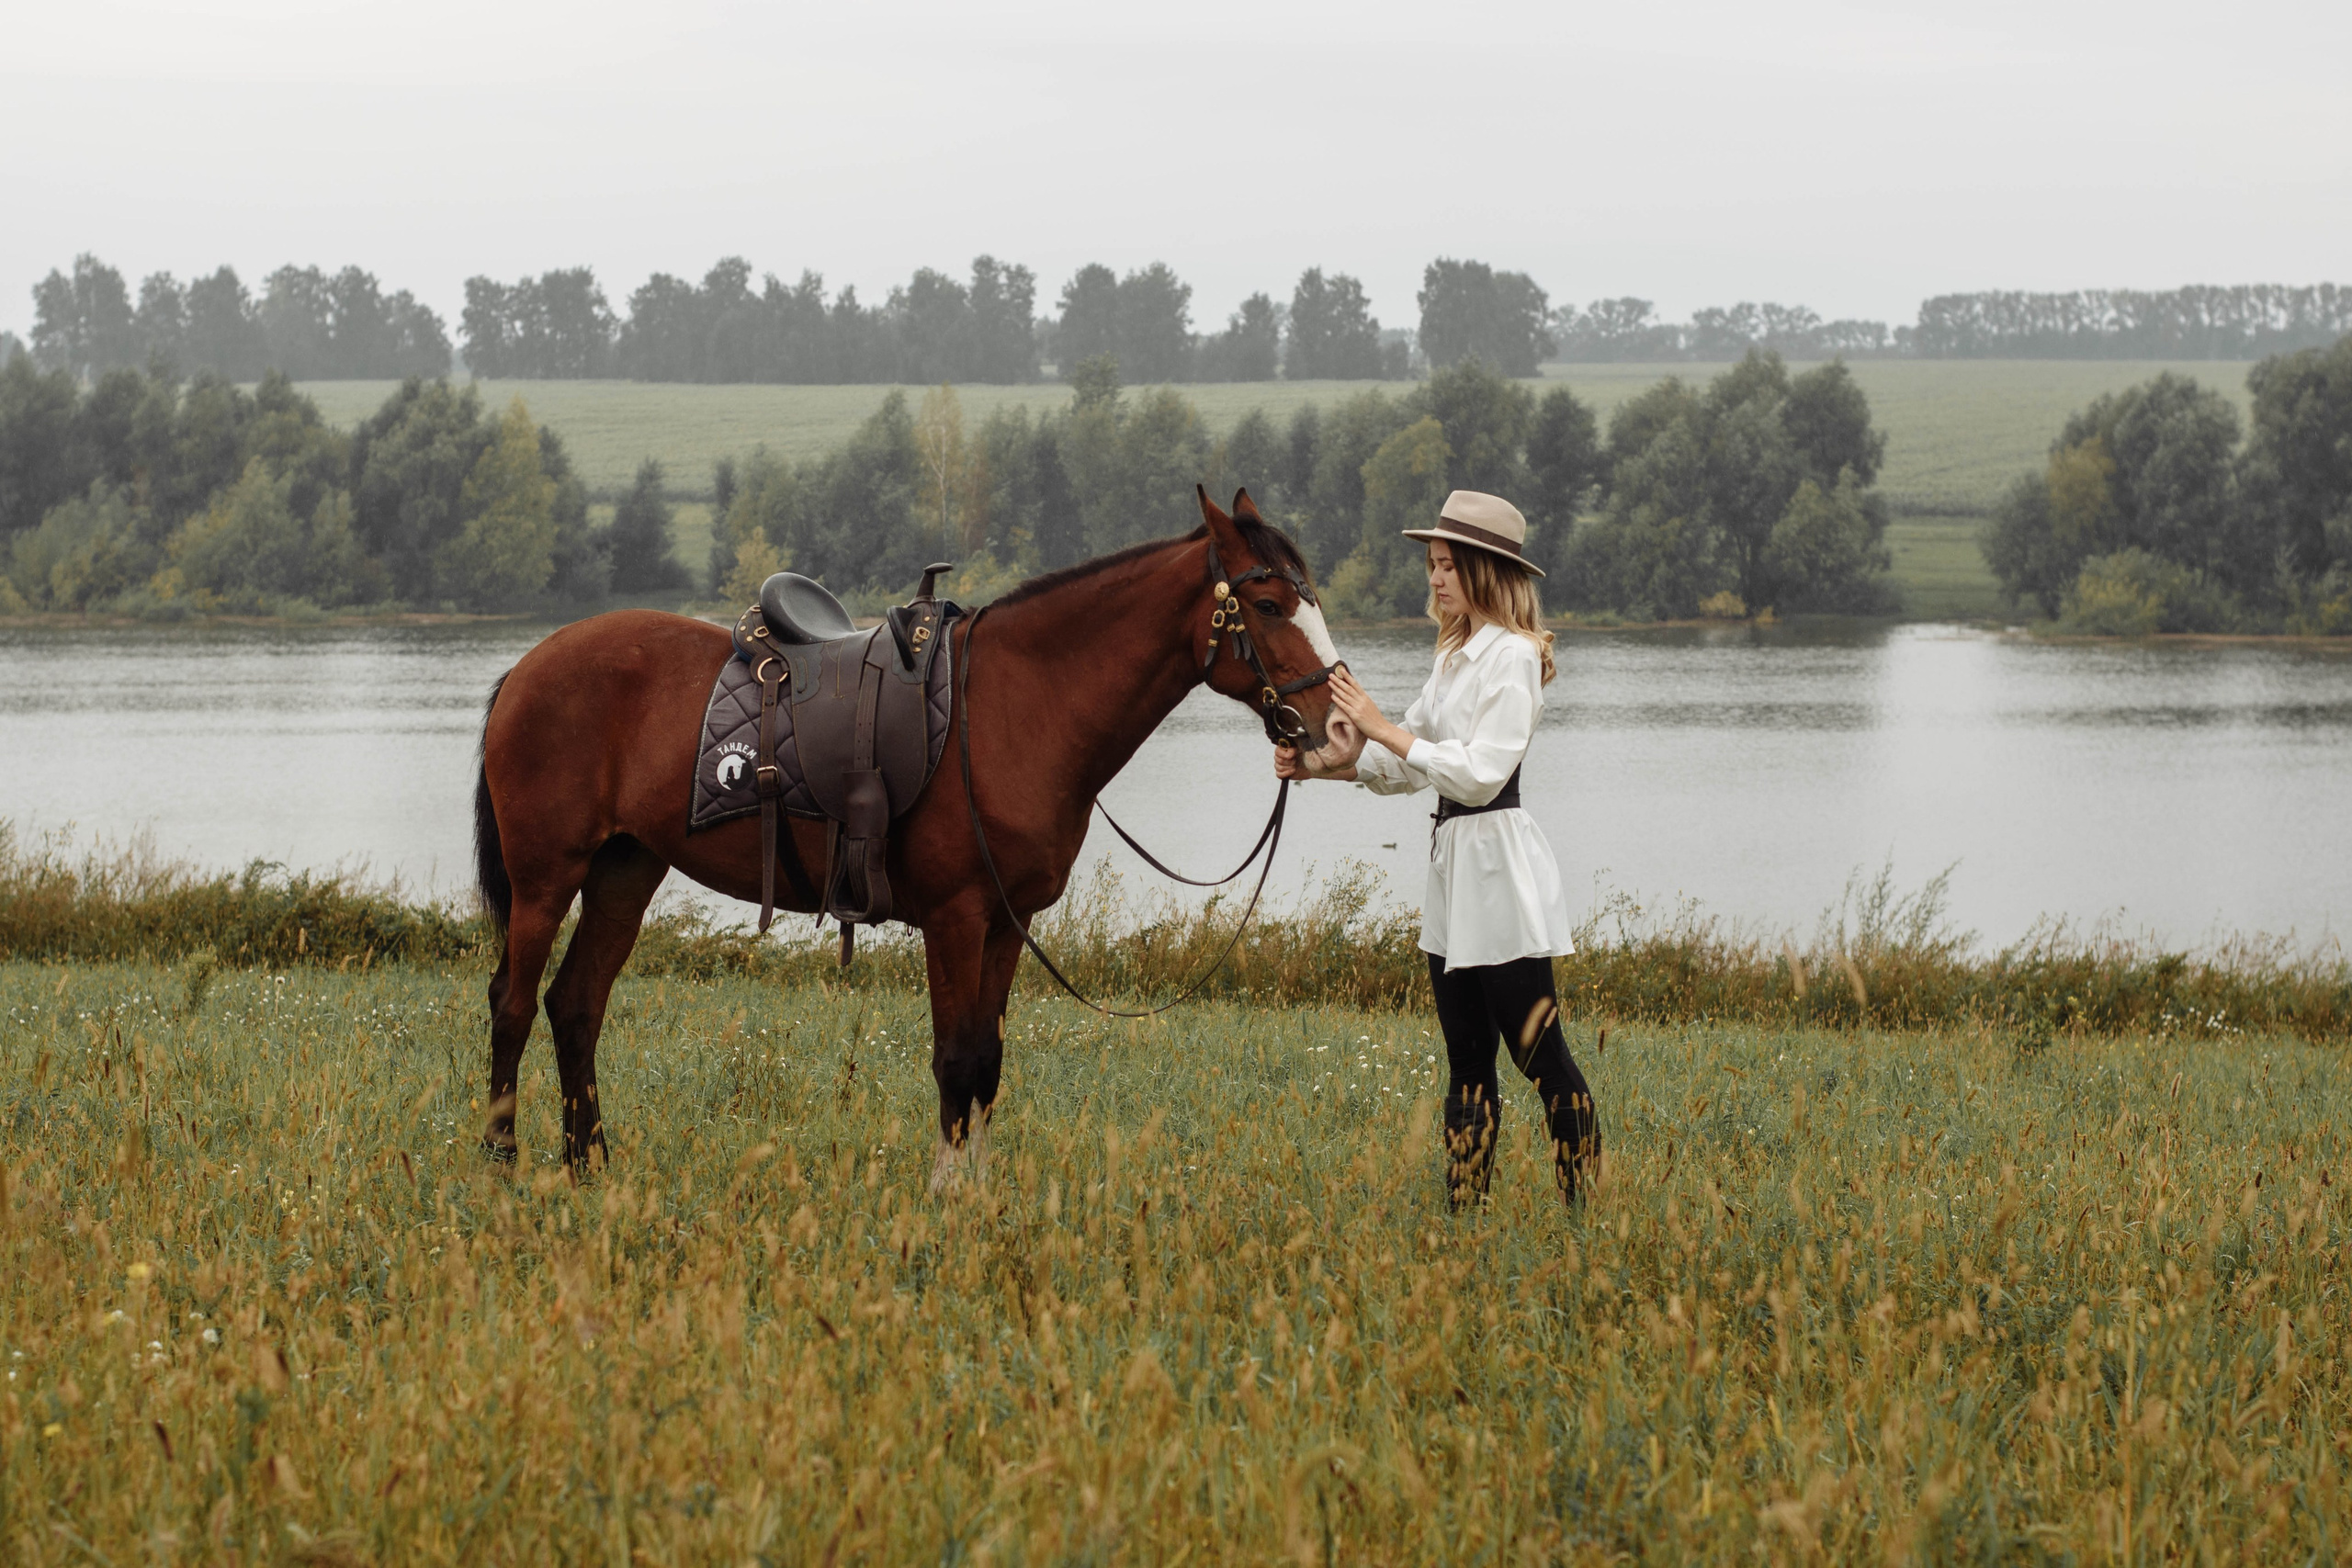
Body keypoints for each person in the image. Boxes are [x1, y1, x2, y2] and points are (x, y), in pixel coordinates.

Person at [1279, 491, 1598, 1208]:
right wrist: (1315, 767)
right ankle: (1464, 1210)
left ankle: (1585, 1210)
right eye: (1432, 565)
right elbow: (1401, 765)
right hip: (1455, 873)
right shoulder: (1453, 659)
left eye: (1448, 565)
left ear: (1485, 569)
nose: (1435, 579)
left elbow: (1482, 773)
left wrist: (1382, 726)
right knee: (1466, 1060)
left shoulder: (1512, 658)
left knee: (1540, 1056)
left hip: (1498, 868)